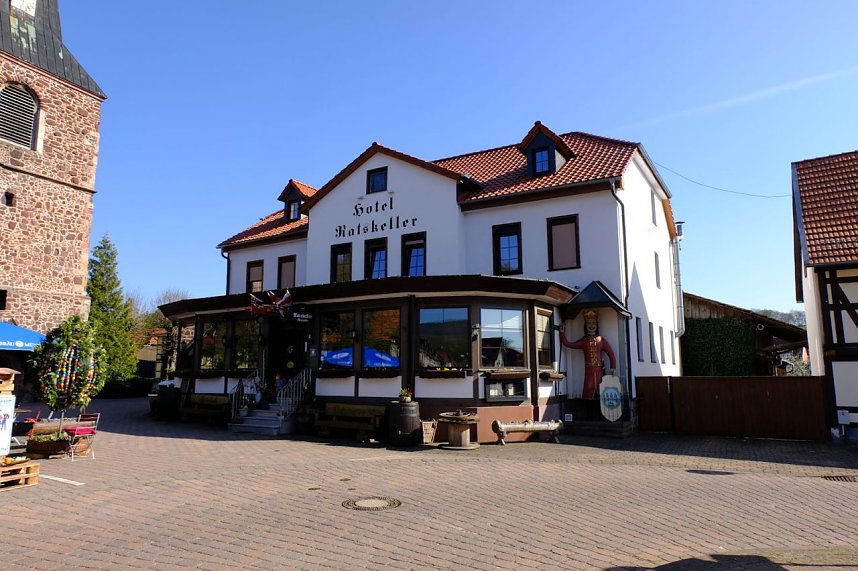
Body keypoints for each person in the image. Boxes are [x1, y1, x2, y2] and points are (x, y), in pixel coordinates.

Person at [559, 310, 616, 400]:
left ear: (597, 325)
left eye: (593, 323)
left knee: (600, 388)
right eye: (589, 323)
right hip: (589, 370)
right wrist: (562, 333)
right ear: (585, 325)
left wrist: (613, 367)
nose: (591, 326)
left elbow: (611, 354)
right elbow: (568, 344)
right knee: (588, 388)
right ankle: (587, 407)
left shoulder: (601, 340)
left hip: (599, 370)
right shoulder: (584, 340)